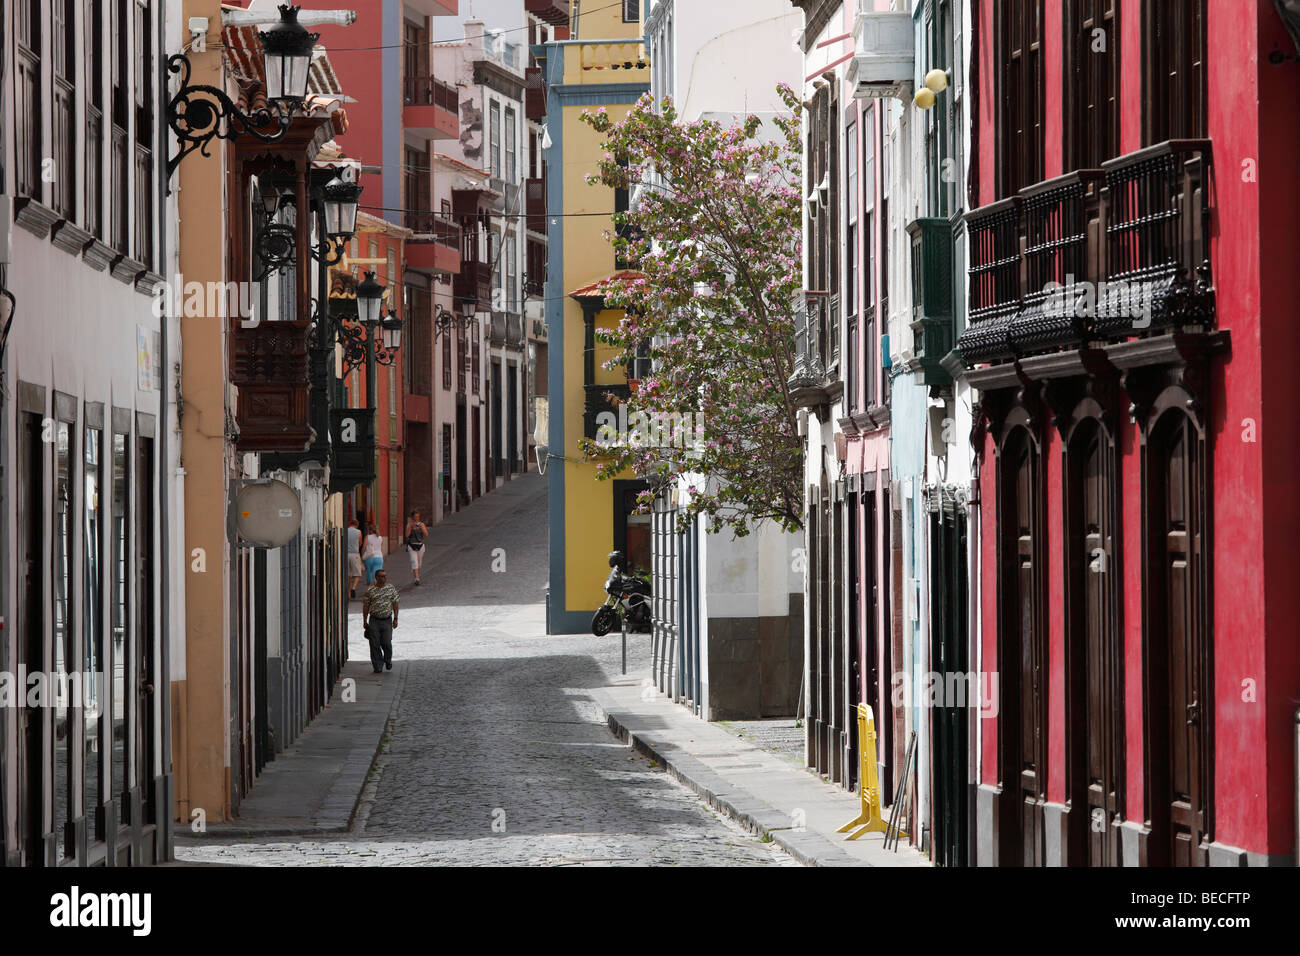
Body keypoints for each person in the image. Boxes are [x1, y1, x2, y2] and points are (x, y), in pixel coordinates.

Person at [362, 569, 399, 673]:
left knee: (386, 642)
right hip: (374, 620)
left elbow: (395, 604)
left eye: (385, 576)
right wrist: (365, 621)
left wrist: (395, 619)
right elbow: (366, 606)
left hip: (387, 620)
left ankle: (387, 660)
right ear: (376, 577)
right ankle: (377, 665)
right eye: (381, 576)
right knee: (374, 643)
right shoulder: (370, 590)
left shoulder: (390, 588)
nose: (384, 578)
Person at [405, 509, 428, 586]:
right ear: (412, 517)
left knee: (419, 563)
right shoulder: (409, 525)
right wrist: (411, 527)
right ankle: (417, 578)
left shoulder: (422, 524)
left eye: (418, 517)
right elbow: (407, 535)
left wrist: (421, 527)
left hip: (420, 545)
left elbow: (426, 534)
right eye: (415, 517)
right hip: (411, 545)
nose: (416, 518)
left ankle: (415, 571)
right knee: (414, 561)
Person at [346, 518, 363, 599]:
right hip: (355, 554)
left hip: (346, 554)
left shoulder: (346, 530)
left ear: (350, 524)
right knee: (357, 573)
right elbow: (360, 543)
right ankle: (353, 588)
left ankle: (348, 593)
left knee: (348, 575)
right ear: (357, 525)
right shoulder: (359, 532)